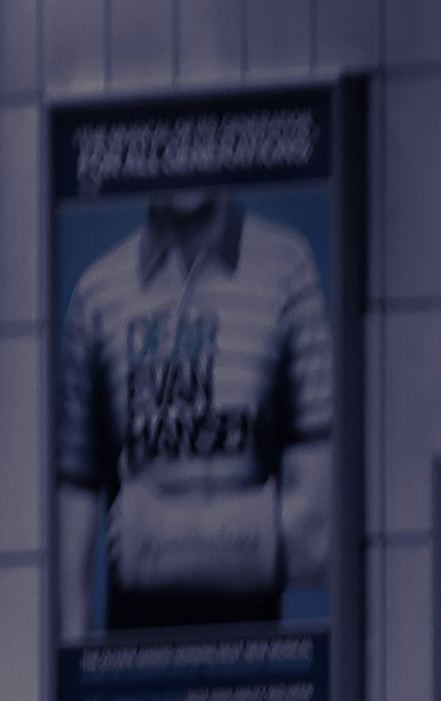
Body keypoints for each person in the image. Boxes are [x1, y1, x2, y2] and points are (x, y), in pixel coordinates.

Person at [55, 183, 333, 644]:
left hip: (259, 672)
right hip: (137, 682)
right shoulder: (97, 294)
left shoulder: (287, 270)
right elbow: (70, 582)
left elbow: (317, 543)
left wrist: (158, 537)